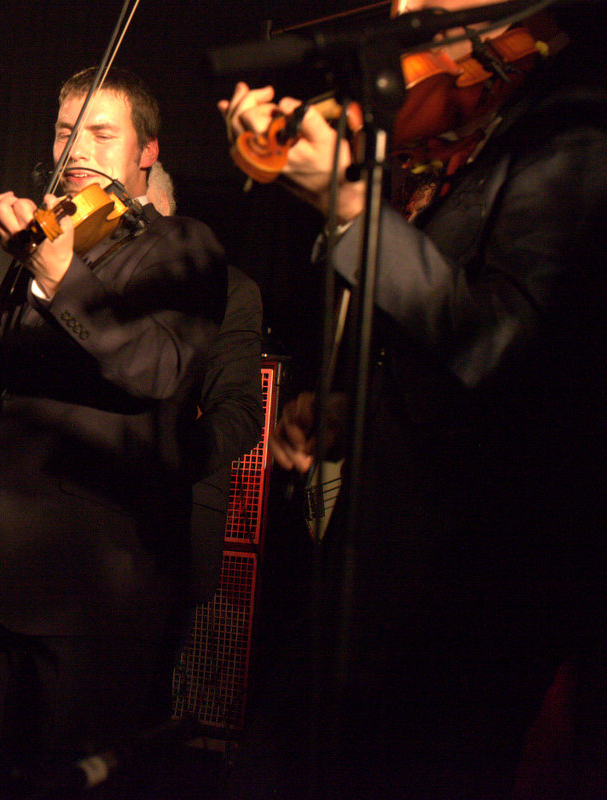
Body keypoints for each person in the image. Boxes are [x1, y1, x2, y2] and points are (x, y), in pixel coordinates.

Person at [220, 1, 607, 797]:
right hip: (384, 563)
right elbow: (438, 335)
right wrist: (353, 406)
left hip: (470, 587)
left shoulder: (577, 123)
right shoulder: (470, 120)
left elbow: (505, 345)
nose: (403, 6)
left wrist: (354, 212)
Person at [0, 67, 263, 797]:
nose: (75, 149)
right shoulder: (57, 239)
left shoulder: (183, 246)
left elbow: (158, 368)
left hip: (92, 591)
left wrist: (58, 275)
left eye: (101, 134)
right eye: (65, 132)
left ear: (147, 151)